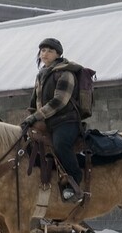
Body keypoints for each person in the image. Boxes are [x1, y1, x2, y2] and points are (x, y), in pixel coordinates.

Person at [23, 37, 87, 203]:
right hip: (47, 123)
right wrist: (29, 119)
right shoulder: (41, 74)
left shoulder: (65, 72)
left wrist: (36, 116)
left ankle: (74, 181)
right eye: (43, 50)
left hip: (66, 121)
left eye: (50, 51)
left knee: (60, 145)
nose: (45, 53)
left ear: (58, 54)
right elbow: (34, 103)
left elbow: (59, 102)